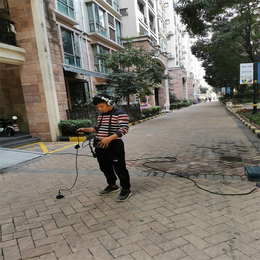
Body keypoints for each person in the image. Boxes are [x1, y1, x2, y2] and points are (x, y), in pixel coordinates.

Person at [77, 94, 132, 202]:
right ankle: (112, 185)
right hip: (100, 145)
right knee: (104, 167)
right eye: (98, 107)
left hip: (115, 146)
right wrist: (86, 129)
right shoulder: (101, 115)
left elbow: (124, 129)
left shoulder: (120, 114)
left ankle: (126, 189)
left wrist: (109, 138)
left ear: (109, 103)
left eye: (101, 106)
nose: (100, 108)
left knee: (120, 168)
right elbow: (98, 128)